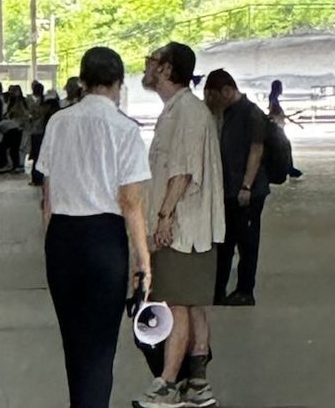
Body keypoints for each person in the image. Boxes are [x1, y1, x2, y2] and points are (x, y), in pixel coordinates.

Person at [37, 46, 151, 408]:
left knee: (73, 342)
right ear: (118, 83)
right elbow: (130, 202)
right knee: (101, 346)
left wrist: (51, 243)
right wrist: (143, 261)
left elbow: (47, 197)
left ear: (83, 82)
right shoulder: (125, 129)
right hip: (104, 241)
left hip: (63, 237)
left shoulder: (58, 122)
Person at [139, 42, 224, 408]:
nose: (147, 67)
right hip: (191, 229)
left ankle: (168, 383)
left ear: (167, 69)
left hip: (183, 229)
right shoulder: (180, 109)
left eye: (152, 61)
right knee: (191, 304)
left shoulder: (186, 111)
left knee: (176, 304)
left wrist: (163, 217)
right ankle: (197, 384)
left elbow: (183, 172)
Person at [203, 69, 268, 307]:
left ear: (227, 91)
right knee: (225, 242)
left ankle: (245, 290)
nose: (211, 104)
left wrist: (246, 186)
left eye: (213, 98)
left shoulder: (251, 113)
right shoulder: (227, 113)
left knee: (247, 243)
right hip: (229, 189)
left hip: (248, 190)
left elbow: (256, 150)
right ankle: (218, 289)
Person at [267, 79, 302, 178]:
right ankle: (289, 169)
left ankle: (289, 168)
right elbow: (275, 114)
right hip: (277, 128)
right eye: (280, 87)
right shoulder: (273, 100)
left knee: (285, 146)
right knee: (286, 146)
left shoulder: (273, 99)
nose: (282, 89)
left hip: (278, 127)